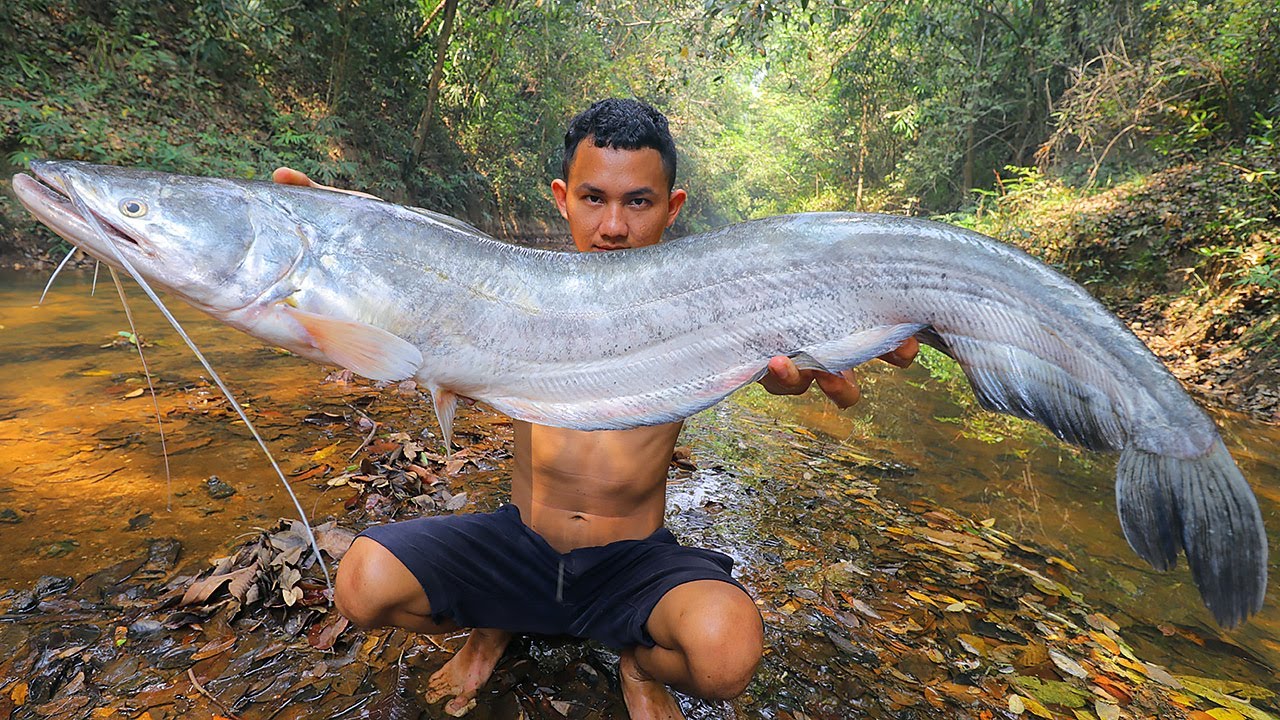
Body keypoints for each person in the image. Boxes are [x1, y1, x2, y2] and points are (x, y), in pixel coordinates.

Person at [274, 98, 917, 720]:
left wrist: (817, 354)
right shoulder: (506, 292)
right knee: (361, 583)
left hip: (630, 562)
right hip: (522, 546)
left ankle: (638, 664)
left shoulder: (705, 301)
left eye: (638, 202)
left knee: (725, 655)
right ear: (562, 198)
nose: (613, 226)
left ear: (671, 208)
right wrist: (346, 237)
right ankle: (493, 628)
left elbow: (782, 340)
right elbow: (414, 278)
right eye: (593, 198)